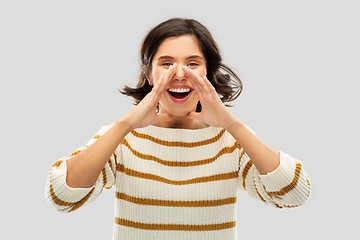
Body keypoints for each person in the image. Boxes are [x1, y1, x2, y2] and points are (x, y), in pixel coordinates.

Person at [45, 18, 311, 240]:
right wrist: (125, 125)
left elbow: (295, 193)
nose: (180, 74)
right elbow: (61, 196)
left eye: (193, 63)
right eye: (166, 63)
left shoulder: (230, 140)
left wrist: (231, 123)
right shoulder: (123, 138)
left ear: (209, 73)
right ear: (149, 75)